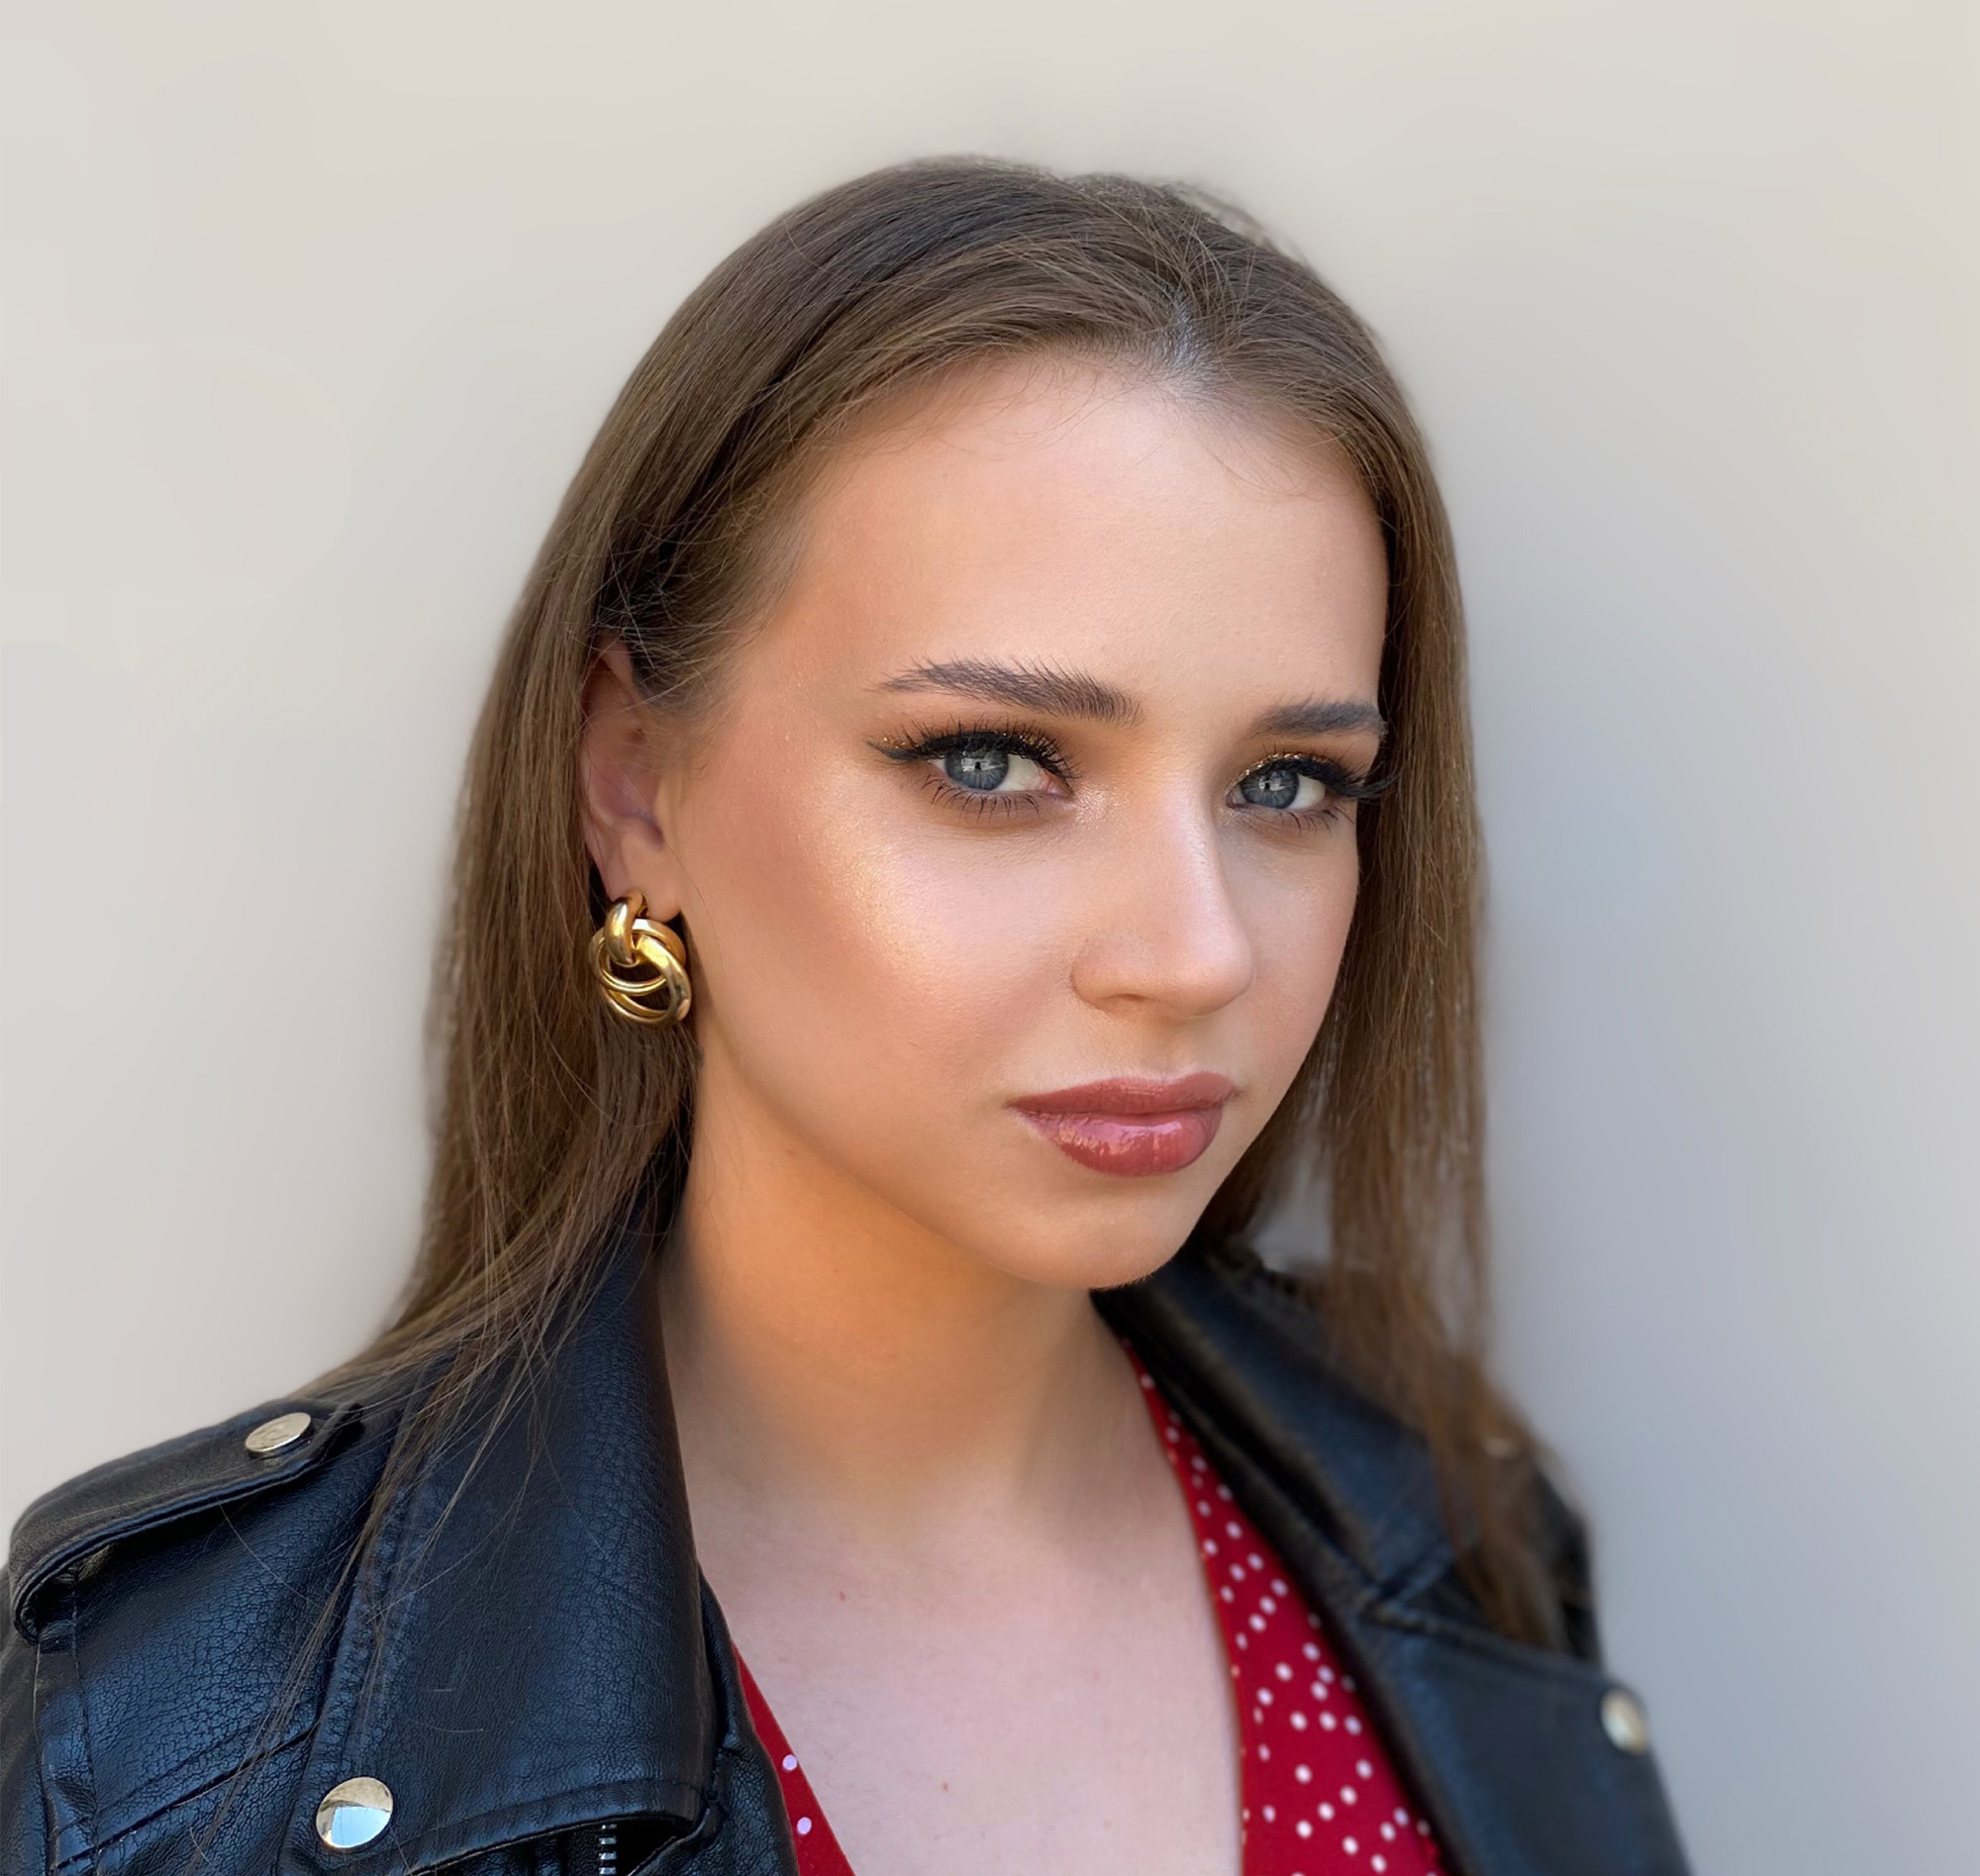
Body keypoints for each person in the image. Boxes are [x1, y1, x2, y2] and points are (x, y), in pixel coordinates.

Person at [1, 160, 1690, 1876]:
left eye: (1287, 782)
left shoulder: (1446, 1534)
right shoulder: (172, 1745)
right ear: (634, 785)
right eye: (993, 762)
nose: (1193, 953)